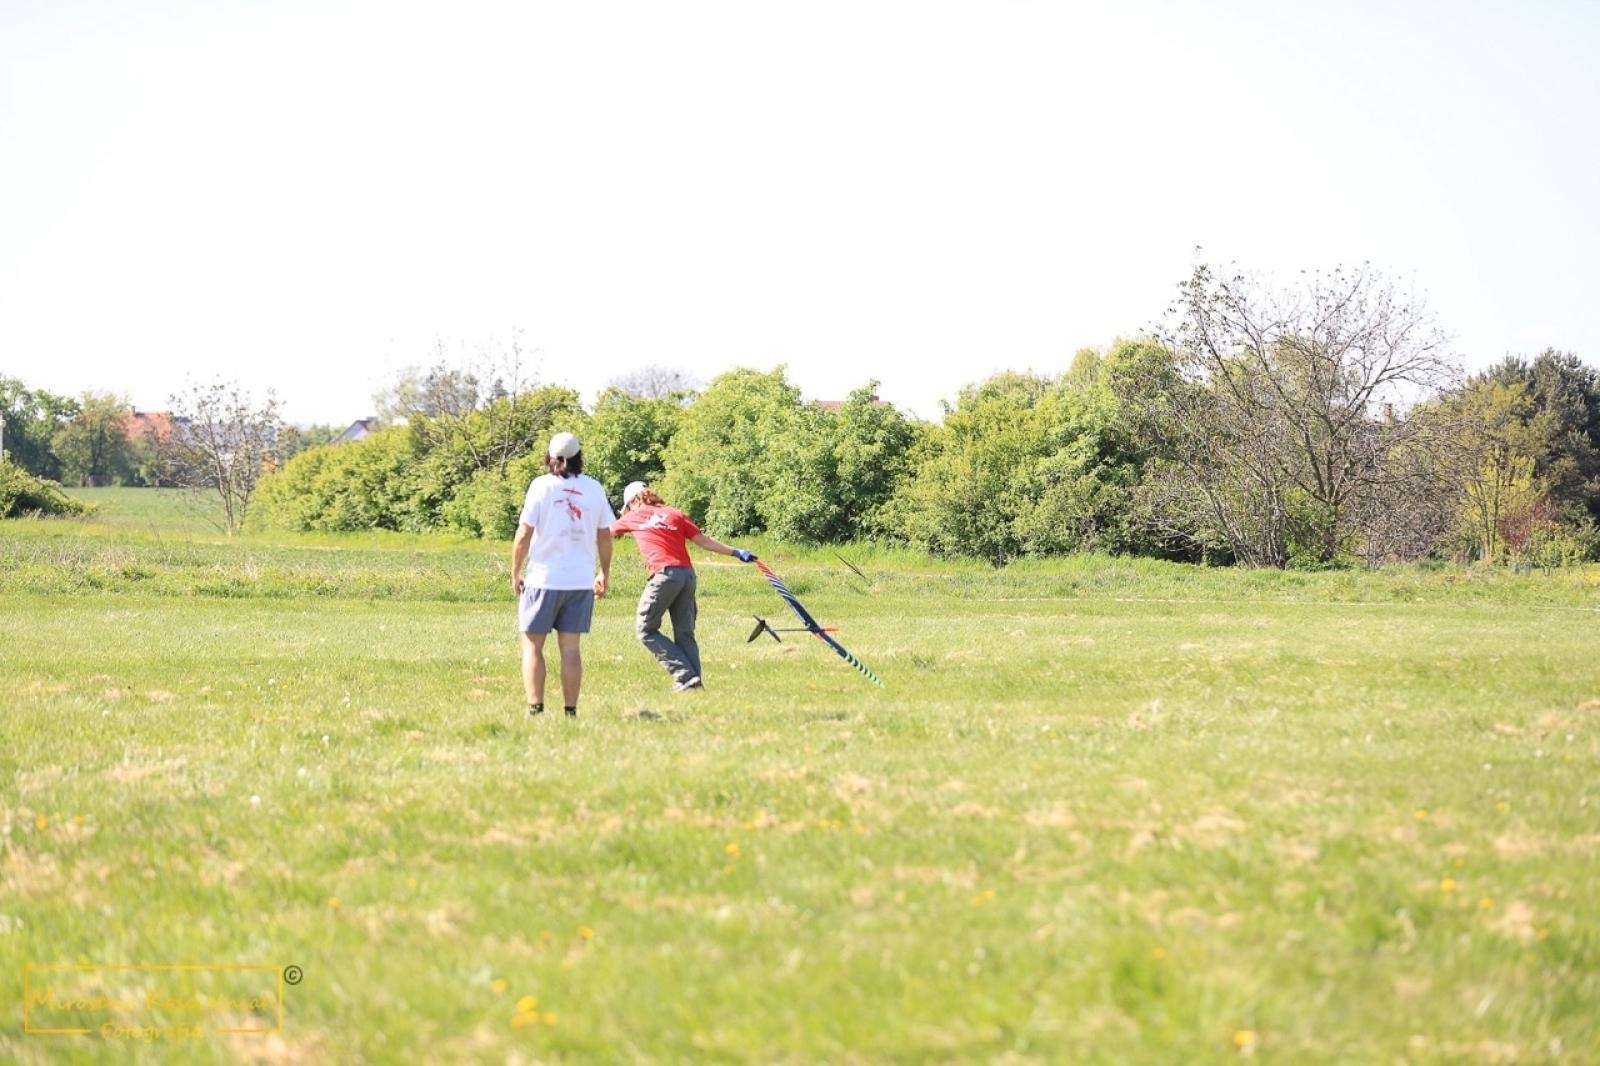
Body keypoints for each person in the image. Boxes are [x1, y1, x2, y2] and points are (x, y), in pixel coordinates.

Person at [610, 481, 756, 691]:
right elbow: (704, 541)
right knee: (685, 633)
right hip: (687, 576)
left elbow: (605, 532)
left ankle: (684, 675)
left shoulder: (633, 516)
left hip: (663, 575)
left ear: (633, 501)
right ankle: (694, 684)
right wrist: (737, 552)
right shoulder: (674, 514)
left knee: (645, 629)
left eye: (627, 507)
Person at [511, 431, 615, 717]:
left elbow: (524, 533)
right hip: (580, 581)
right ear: (579, 457)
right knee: (570, 649)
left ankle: (536, 708)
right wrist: (603, 573)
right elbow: (605, 536)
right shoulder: (594, 488)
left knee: (533, 646)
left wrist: (515, 570)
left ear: (550, 458)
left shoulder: (541, 486)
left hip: (543, 579)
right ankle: (570, 711)